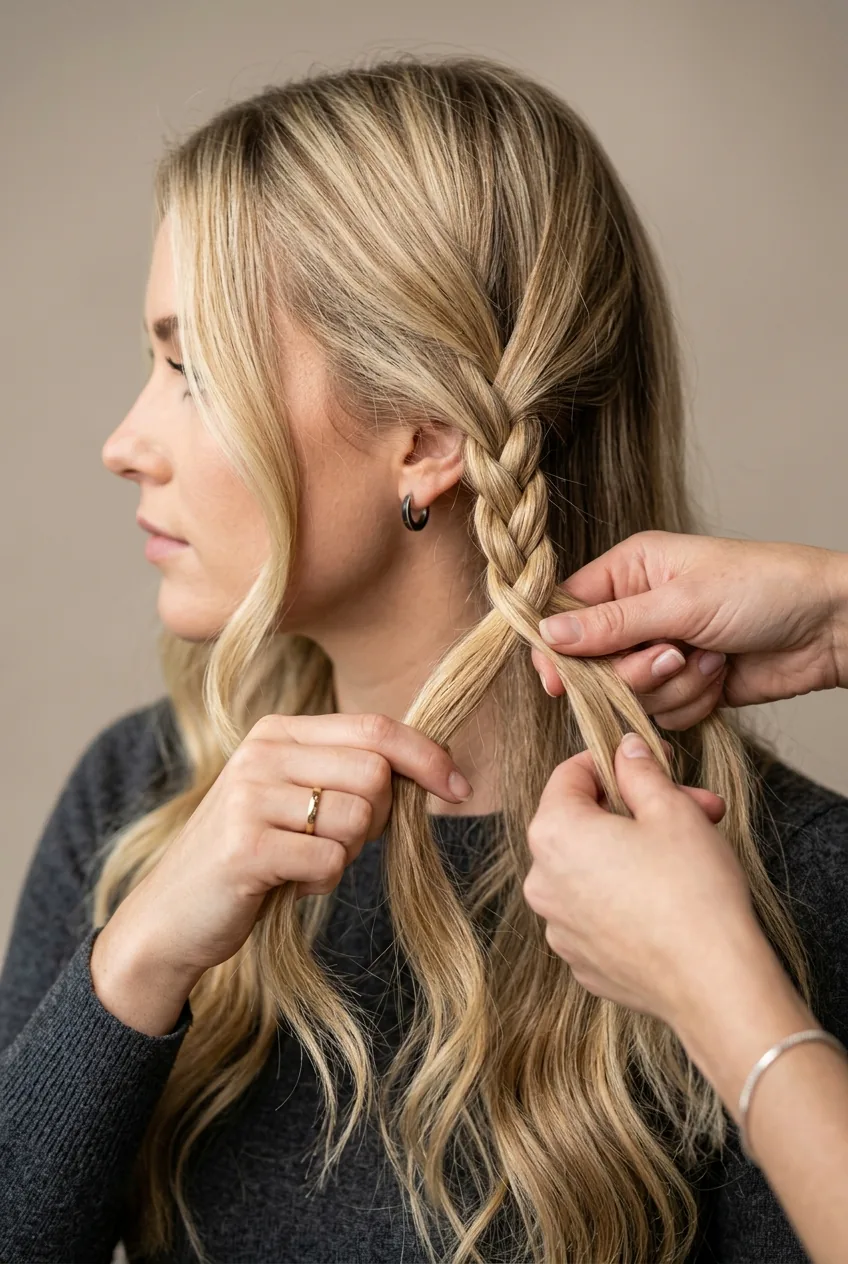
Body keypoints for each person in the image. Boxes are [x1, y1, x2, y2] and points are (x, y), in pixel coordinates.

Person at [1, 55, 844, 1264]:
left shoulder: (783, 893)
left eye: (193, 370)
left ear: (429, 438)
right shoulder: (139, 806)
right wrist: (132, 965)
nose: (123, 441)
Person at [525, 531, 848, 1264]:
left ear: (426, 445)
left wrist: (708, 978)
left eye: (203, 402)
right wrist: (834, 620)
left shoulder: (814, 888)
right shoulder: (222, 839)